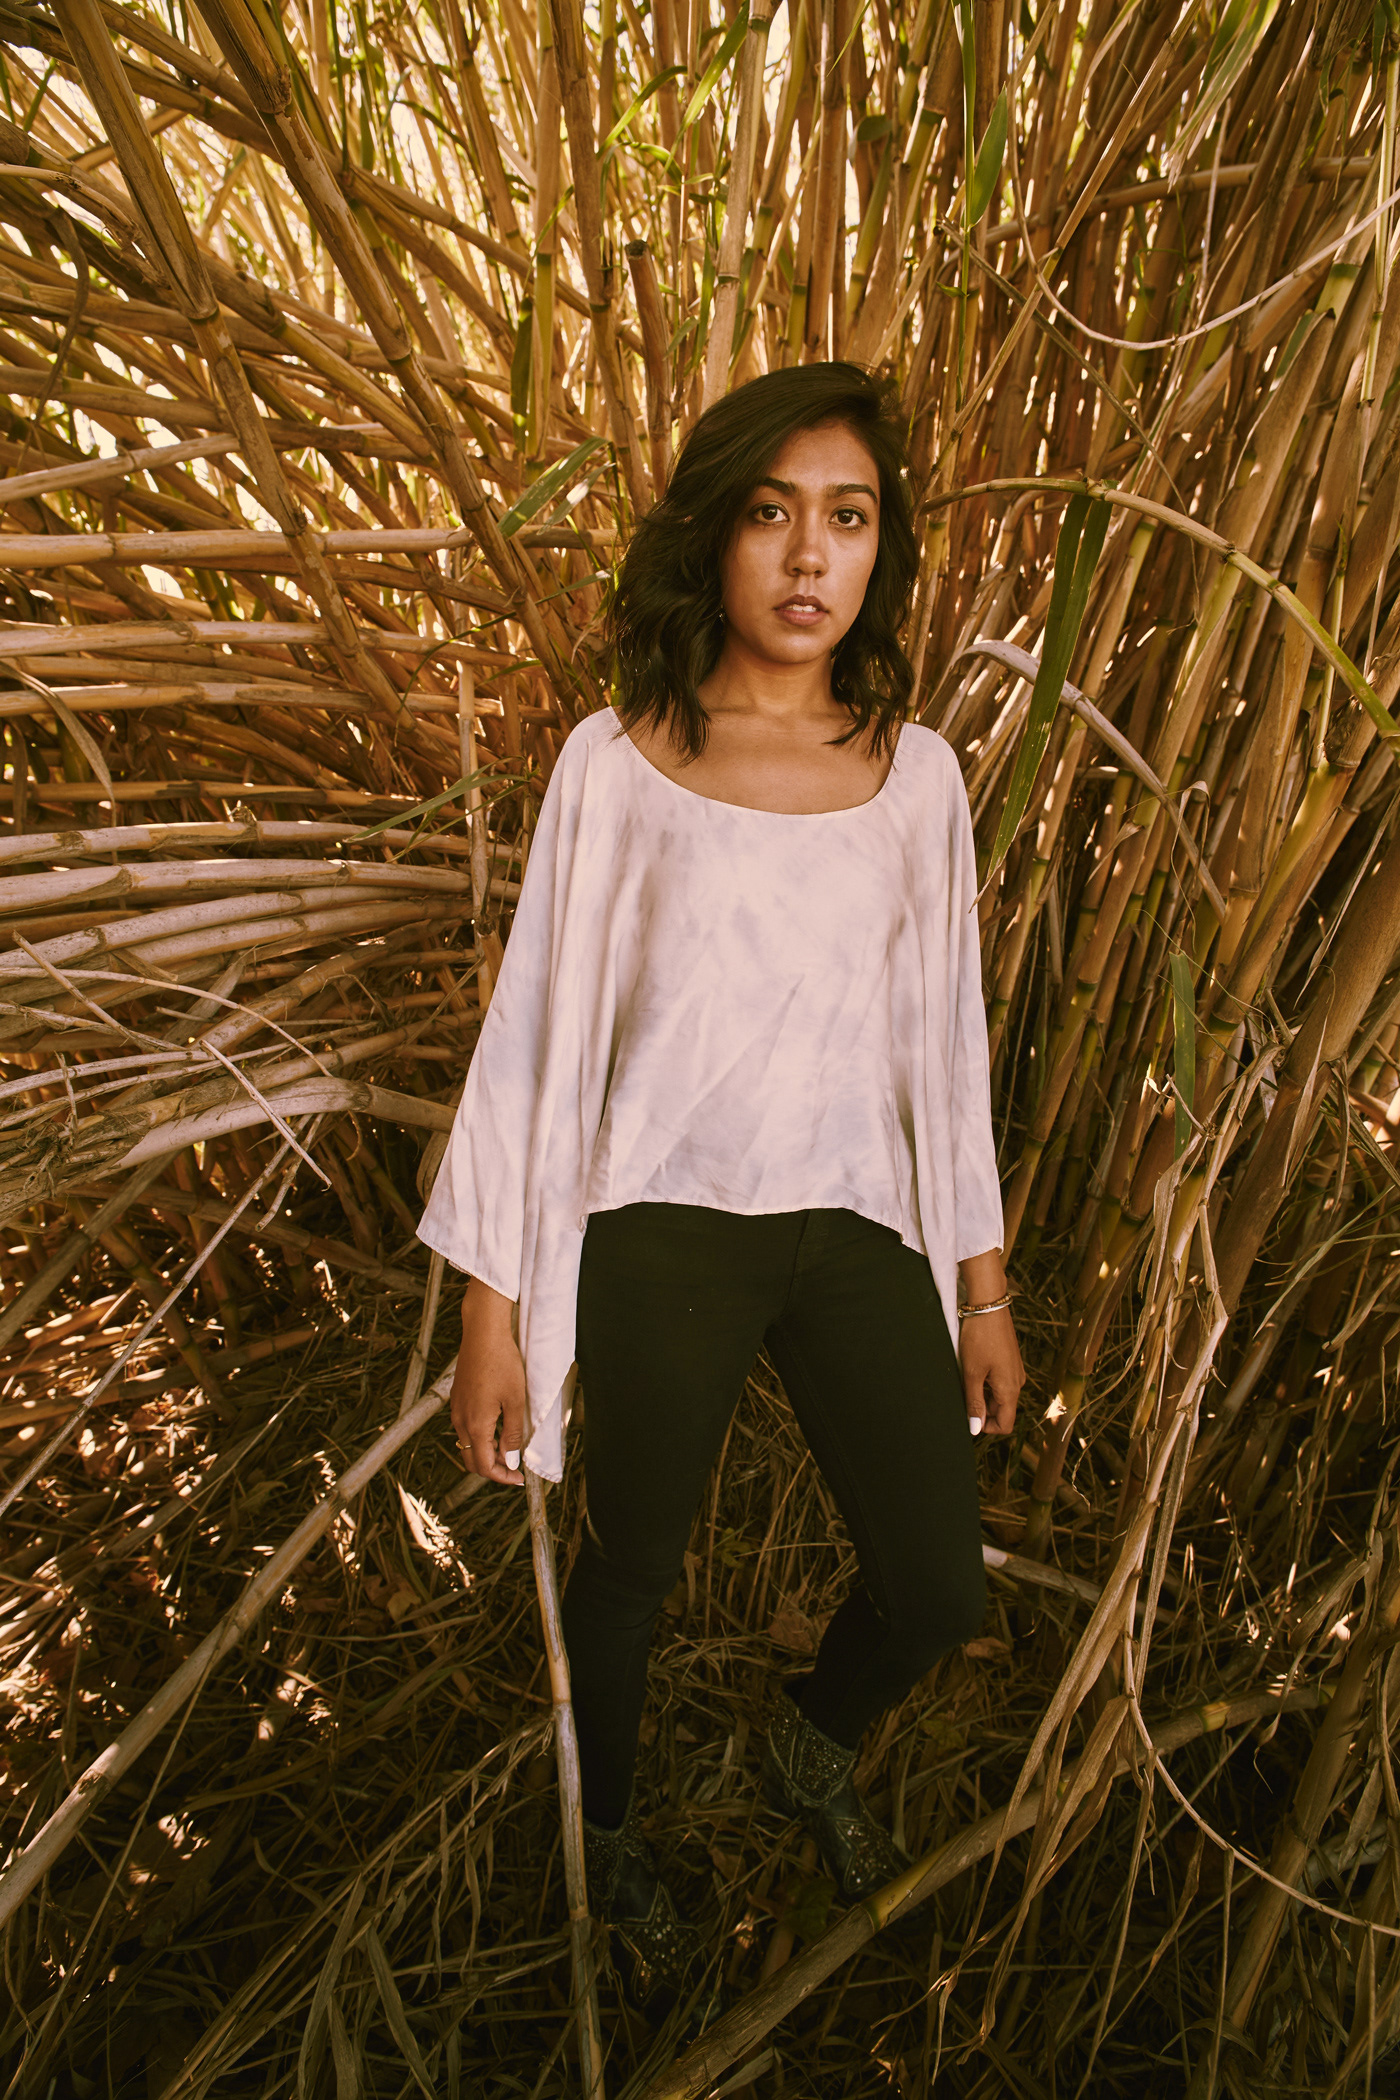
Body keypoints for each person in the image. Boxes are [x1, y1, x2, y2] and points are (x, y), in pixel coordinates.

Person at [417, 361, 1024, 2021]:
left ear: (880, 547)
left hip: (849, 1233)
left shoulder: (920, 778)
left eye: (848, 518)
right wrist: (495, 1311)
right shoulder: (617, 765)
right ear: (718, 537)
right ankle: (606, 1835)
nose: (809, 558)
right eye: (771, 515)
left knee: (937, 1583)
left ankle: (804, 1741)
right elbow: (535, 1041)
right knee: (628, 1573)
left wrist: (980, 1287)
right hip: (663, 1226)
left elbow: (944, 1052)